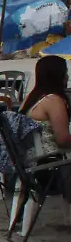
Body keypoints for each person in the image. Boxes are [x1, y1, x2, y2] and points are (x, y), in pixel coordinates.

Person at [19, 56, 71, 199]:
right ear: (59, 75)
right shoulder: (53, 101)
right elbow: (63, 139)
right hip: (51, 169)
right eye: (65, 72)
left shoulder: (31, 98)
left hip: (29, 165)